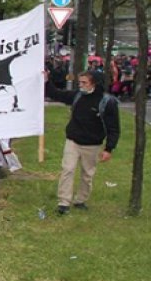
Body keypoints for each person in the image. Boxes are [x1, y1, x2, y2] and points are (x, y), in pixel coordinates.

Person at [44, 70, 119, 214]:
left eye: (84, 83)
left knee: (87, 174)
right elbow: (57, 94)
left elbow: (113, 127)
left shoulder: (107, 103)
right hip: (73, 141)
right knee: (68, 169)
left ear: (94, 84)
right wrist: (47, 81)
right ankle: (64, 202)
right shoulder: (77, 96)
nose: (81, 85)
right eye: (80, 82)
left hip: (93, 144)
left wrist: (109, 148)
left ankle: (80, 200)